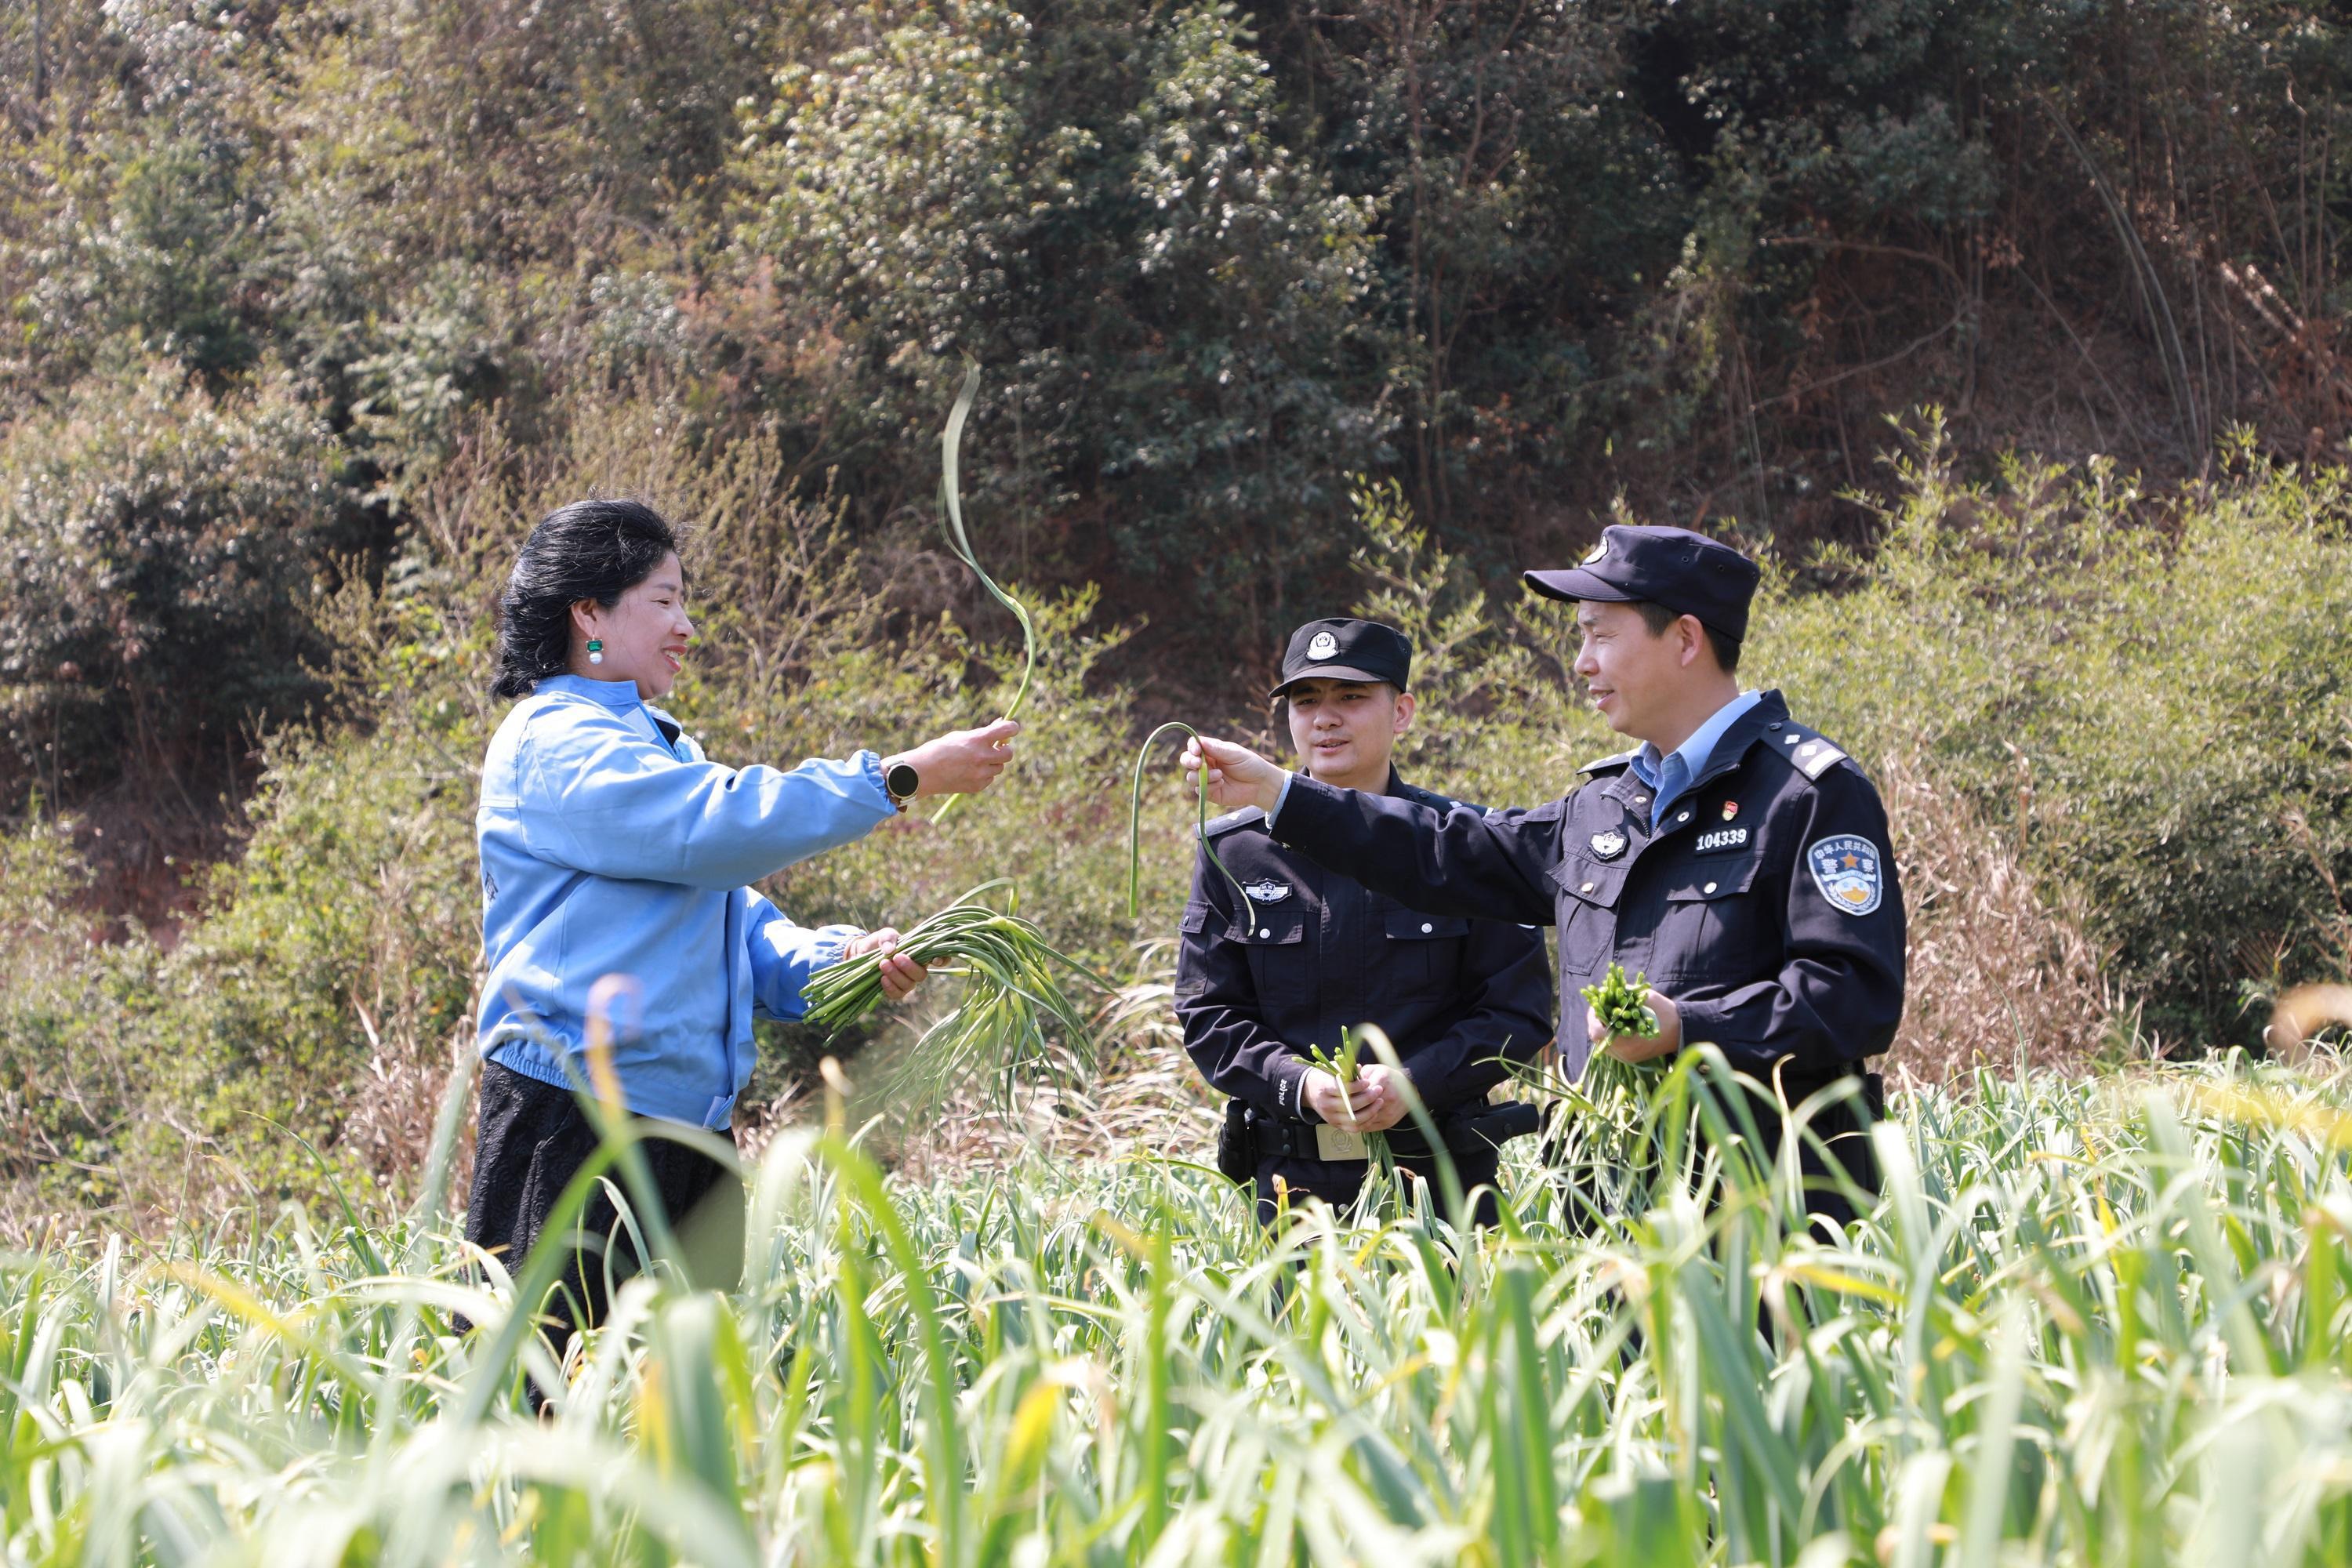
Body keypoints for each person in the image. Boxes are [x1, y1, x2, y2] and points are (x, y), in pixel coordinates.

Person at [1182, 526, 1905, 1230]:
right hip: (1614, 1210)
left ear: (1685, 639)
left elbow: (1856, 998)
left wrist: (1688, 1027)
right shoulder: (1604, 805)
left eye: (1600, 635)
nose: (1582, 663)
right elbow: (1445, 851)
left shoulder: (1807, 793)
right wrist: (1279, 793)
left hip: (1767, 1208)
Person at [465, 498, 1016, 1377]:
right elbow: (713, 828)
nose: (686, 626)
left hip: (688, 1132)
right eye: (664, 600)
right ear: (588, 613)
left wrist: (842, 961)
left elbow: (738, 927)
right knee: (551, 1399)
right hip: (576, 1124)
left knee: (698, 1408)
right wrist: (896, 778)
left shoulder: (655, 744)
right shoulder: (553, 742)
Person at [1175, 618, 1553, 1227]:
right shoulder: (1234, 851)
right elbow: (1208, 1013)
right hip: (1292, 1193)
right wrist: (1298, 1085)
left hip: (1442, 1186)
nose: (1325, 719)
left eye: (1351, 697)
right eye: (1306, 701)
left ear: (1401, 712)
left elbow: (1519, 1013)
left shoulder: (1463, 845)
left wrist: (1416, 1083)